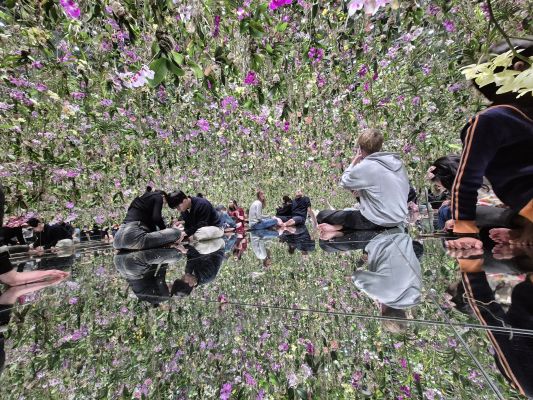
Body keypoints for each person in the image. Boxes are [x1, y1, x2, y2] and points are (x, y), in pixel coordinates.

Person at [446, 39, 533, 250]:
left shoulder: (490, 120)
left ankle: (524, 226)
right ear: (519, 68)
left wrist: (464, 229)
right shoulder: (499, 118)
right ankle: (523, 226)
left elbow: (467, 178)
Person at [317, 129, 409, 233]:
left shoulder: (367, 165)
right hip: (399, 219)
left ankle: (340, 227)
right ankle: (339, 227)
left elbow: (344, 182)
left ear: (360, 148)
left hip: (377, 221)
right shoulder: (397, 163)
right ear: (379, 146)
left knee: (322, 215)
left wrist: (355, 160)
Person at [426, 155, 504, 230]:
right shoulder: (475, 174)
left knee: (445, 210)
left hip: (493, 214)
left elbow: (485, 203)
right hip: (490, 212)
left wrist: (459, 220)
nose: (440, 188)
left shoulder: (470, 184)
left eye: (440, 185)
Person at [113, 188, 181, 250]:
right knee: (176, 232)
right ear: (163, 197)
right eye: (164, 203)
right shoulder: (158, 196)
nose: (162, 206)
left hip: (117, 241)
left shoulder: (139, 200)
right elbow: (157, 218)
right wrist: (165, 231)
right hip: (134, 239)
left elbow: (152, 228)